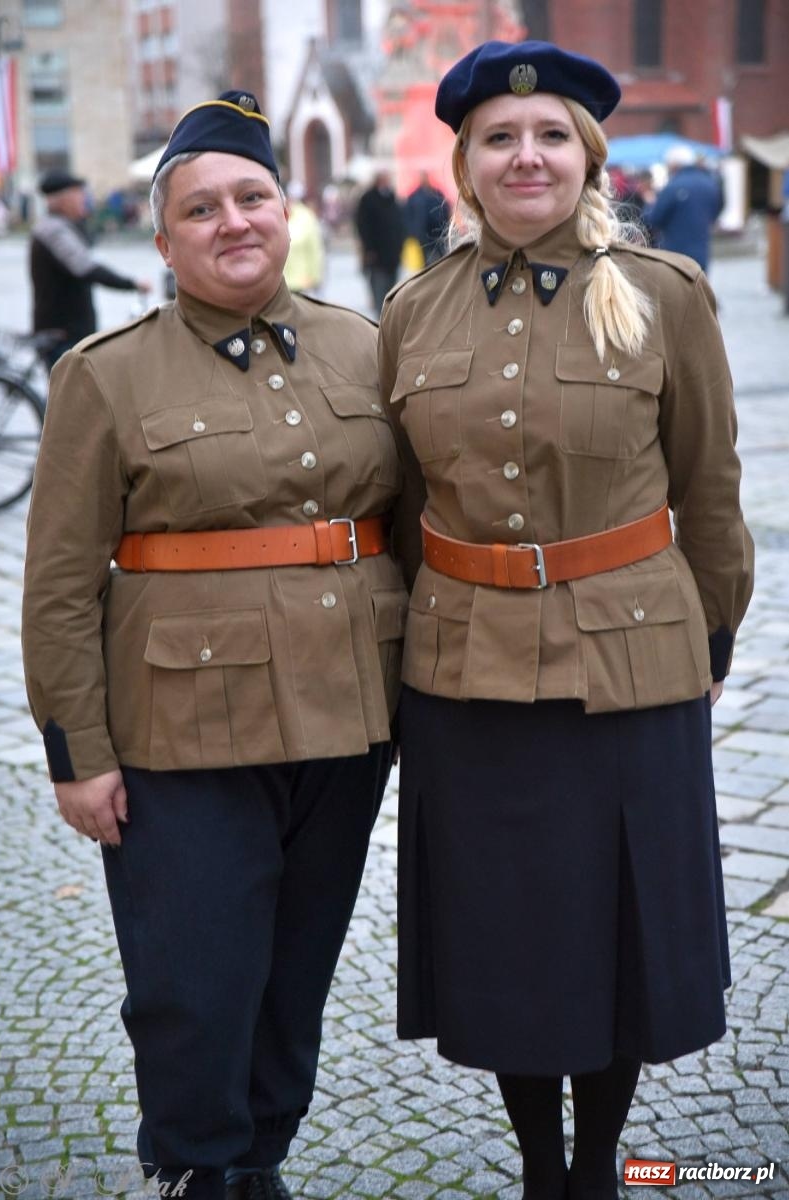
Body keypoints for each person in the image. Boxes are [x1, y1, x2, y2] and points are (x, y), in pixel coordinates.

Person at [378, 40, 753, 1200]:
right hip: (464, 676)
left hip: (630, 669)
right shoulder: (411, 314)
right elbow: (397, 508)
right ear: (465, 165)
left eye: (549, 137)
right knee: (507, 939)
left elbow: (712, 492)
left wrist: (708, 641)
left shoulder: (665, 297)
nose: (524, 154)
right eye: (500, 137)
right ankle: (540, 1163)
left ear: (586, 159)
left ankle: (601, 1166)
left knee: (622, 931)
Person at [22, 91, 407, 1200]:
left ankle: (261, 1159)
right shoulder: (105, 373)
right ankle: (196, 1160)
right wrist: (77, 752)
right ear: (161, 240)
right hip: (177, 729)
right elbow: (57, 584)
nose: (234, 221)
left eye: (253, 196)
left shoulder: (367, 346)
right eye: (202, 209)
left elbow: (415, 526)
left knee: (297, 966)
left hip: (345, 716)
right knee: (194, 972)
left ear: (287, 209)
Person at [29, 168, 151, 369]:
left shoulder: (64, 226)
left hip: (68, 332)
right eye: (79, 195)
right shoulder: (54, 230)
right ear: (63, 199)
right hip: (62, 334)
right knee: (72, 397)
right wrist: (132, 284)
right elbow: (85, 268)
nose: (84, 200)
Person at [643, 144, 724, 272]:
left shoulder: (672, 187)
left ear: (674, 165)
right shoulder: (710, 184)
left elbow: (654, 219)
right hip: (702, 252)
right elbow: (717, 210)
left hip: (675, 254)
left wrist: (649, 204)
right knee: (699, 288)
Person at [354, 169, 407, 314]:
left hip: (393, 255)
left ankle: (389, 315)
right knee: (379, 288)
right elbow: (362, 226)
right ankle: (381, 317)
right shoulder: (368, 199)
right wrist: (369, 249)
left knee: (393, 289)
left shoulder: (392, 198)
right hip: (376, 256)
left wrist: (400, 245)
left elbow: (400, 223)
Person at [282, 180, 325, 294]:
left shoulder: (306, 216)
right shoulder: (272, 217)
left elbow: (315, 249)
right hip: (278, 286)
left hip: (302, 283)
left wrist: (315, 276)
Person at [404, 171, 452, 265]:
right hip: (422, 235)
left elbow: (445, 209)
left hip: (438, 233)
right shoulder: (414, 196)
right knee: (425, 262)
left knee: (441, 261)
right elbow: (408, 216)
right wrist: (413, 232)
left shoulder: (437, 193)